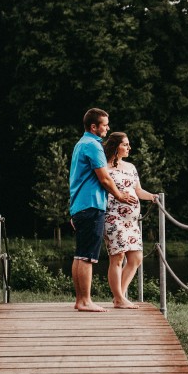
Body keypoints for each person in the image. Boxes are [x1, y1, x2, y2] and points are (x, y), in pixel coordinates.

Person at [69, 108, 137, 312]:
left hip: (80, 205)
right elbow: (104, 177)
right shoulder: (93, 145)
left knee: (80, 255)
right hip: (91, 205)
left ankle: (80, 300)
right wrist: (120, 195)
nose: (107, 128)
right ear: (94, 127)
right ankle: (85, 301)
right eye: (104, 125)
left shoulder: (80, 144)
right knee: (88, 256)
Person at [103, 132, 158, 309]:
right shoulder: (103, 167)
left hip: (131, 222)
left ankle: (120, 296)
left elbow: (138, 190)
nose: (129, 148)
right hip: (112, 217)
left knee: (136, 258)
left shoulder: (131, 167)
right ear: (115, 146)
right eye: (125, 144)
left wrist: (152, 197)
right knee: (117, 258)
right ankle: (119, 297)